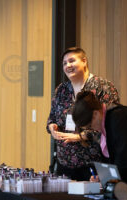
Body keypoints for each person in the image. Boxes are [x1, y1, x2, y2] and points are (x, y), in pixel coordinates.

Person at [46, 47, 120, 180]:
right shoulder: (61, 89)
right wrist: (52, 128)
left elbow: (111, 126)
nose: (68, 65)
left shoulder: (103, 87)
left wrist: (80, 137)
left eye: (72, 61)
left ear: (84, 61)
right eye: (64, 63)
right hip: (64, 164)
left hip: (93, 166)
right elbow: (51, 118)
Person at [72, 91, 127, 191]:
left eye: (90, 126)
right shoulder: (106, 123)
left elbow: (124, 159)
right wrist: (102, 177)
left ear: (95, 114)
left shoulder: (120, 117)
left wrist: (108, 180)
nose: (92, 129)